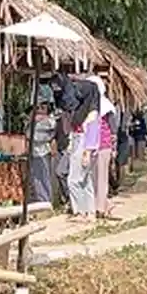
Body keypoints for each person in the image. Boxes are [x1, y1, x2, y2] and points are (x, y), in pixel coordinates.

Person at [67, 76, 101, 221]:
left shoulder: (92, 113)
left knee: (74, 180)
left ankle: (80, 212)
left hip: (84, 145)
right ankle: (90, 212)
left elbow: (92, 134)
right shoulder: (83, 110)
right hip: (80, 142)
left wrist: (87, 153)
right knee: (85, 180)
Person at [90, 76, 116, 218]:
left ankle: (100, 207)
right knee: (93, 177)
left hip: (103, 145)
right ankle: (98, 204)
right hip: (92, 146)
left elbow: (113, 130)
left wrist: (113, 147)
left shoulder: (105, 106)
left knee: (101, 177)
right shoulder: (91, 104)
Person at [28, 95, 55, 204]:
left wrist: (38, 120)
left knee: (44, 177)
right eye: (37, 108)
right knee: (36, 178)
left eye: (42, 108)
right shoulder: (32, 121)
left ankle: (46, 201)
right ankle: (40, 200)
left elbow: (40, 136)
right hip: (34, 152)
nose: (39, 110)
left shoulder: (49, 122)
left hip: (42, 152)